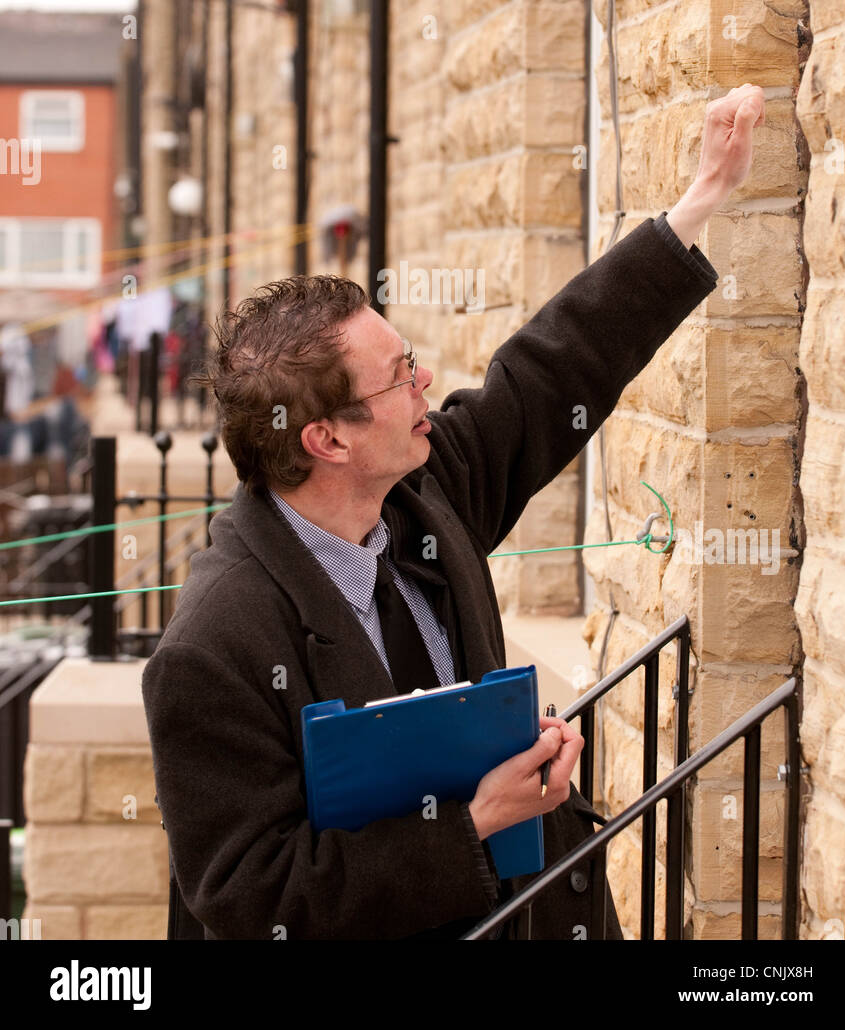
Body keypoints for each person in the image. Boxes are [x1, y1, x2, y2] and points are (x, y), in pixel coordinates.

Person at [142, 85, 766, 940]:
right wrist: (469, 823)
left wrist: (700, 200)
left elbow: (550, 372)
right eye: (398, 375)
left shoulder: (423, 494)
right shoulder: (214, 647)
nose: (423, 381)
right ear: (327, 439)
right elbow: (254, 900)